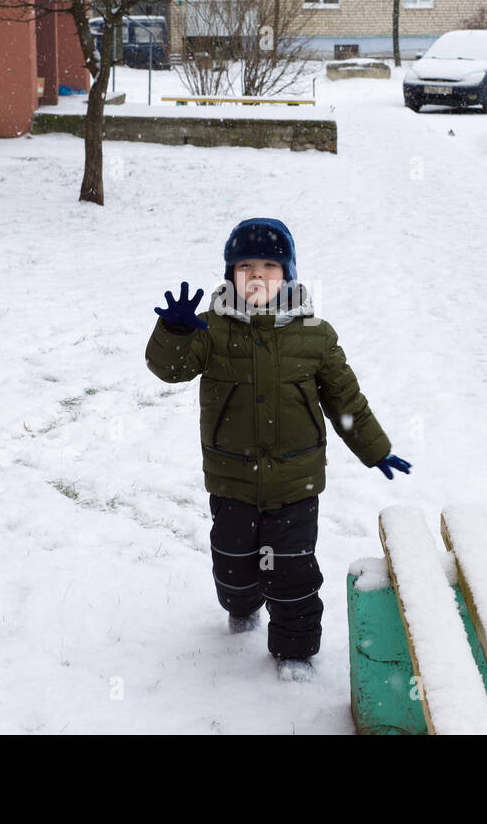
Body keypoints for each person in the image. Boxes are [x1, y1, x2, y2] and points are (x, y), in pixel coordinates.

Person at [144, 217, 411, 680]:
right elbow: (170, 370)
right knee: (232, 564)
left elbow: (346, 402)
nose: (256, 275)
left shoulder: (315, 335)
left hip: (295, 479)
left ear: (287, 273)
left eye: (269, 265)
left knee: (293, 573)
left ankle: (294, 652)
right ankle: (241, 605)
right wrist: (176, 333)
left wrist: (376, 449)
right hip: (232, 479)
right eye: (244, 265)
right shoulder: (210, 330)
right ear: (230, 274)